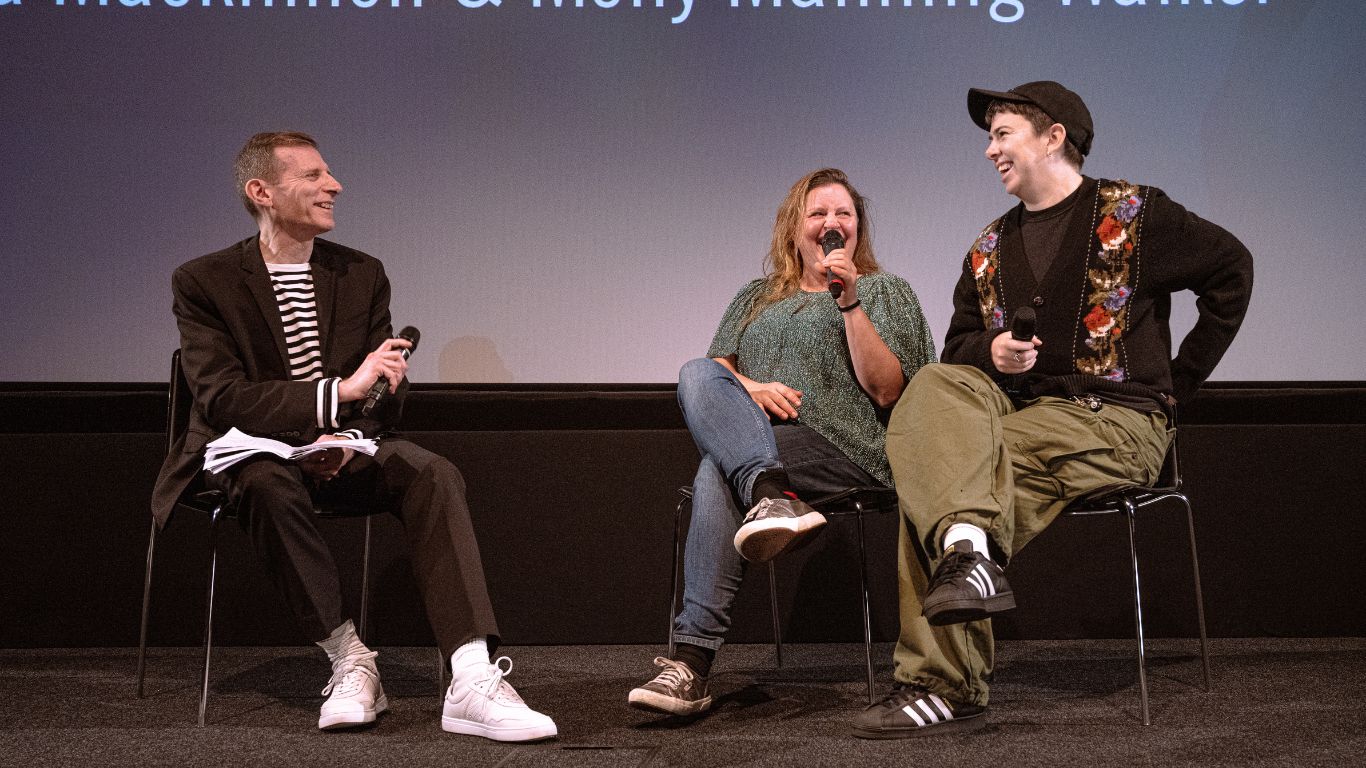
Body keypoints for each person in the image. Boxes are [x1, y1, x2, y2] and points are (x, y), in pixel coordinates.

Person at [852, 82, 1253, 738]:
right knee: (933, 398)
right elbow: (958, 350)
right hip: (1025, 419)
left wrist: (1178, 385)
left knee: (945, 474)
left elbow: (1232, 269)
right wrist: (995, 352)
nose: (989, 150)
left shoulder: (1133, 214)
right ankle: (967, 554)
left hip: (1119, 421)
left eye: (1002, 133)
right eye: (989, 138)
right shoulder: (987, 250)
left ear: (1053, 136)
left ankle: (942, 680)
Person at [149, 131, 557, 741]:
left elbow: (379, 389)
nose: (333, 185)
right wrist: (338, 393)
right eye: (312, 176)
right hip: (249, 450)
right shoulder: (205, 281)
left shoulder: (361, 274)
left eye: (329, 173)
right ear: (262, 191)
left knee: (432, 472)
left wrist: (354, 425)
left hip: (344, 446)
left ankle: (472, 676)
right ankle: (350, 659)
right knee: (265, 482)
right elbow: (223, 397)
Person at [628, 168, 936, 716]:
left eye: (843, 213)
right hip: (768, 444)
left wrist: (850, 304)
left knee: (713, 471)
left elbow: (890, 392)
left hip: (849, 447)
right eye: (817, 214)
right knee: (695, 373)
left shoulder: (885, 291)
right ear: (794, 230)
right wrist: (753, 386)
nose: (831, 223)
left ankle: (691, 665)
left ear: (858, 228)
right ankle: (770, 490)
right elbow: (716, 376)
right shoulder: (756, 297)